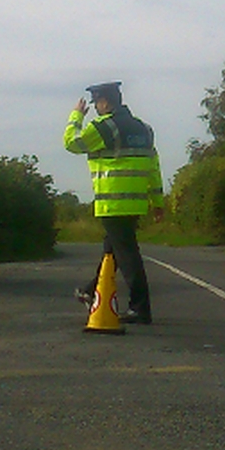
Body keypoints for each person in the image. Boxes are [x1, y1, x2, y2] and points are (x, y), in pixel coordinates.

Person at [65, 81, 165, 324]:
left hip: (112, 202)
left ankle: (140, 308)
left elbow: (72, 143)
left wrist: (76, 115)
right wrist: (157, 201)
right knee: (113, 250)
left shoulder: (104, 127)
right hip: (136, 202)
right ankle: (90, 290)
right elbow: (153, 167)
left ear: (105, 102)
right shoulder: (144, 129)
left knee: (128, 254)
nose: (96, 108)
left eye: (96, 103)